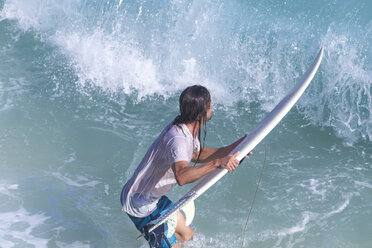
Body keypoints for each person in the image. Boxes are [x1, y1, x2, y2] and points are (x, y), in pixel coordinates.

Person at [120, 85, 250, 248]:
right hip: (141, 204)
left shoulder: (186, 127)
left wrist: (235, 148)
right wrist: (218, 163)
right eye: (210, 103)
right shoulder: (178, 139)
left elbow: (196, 155)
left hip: (153, 198)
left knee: (188, 236)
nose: (212, 107)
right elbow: (181, 176)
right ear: (202, 111)